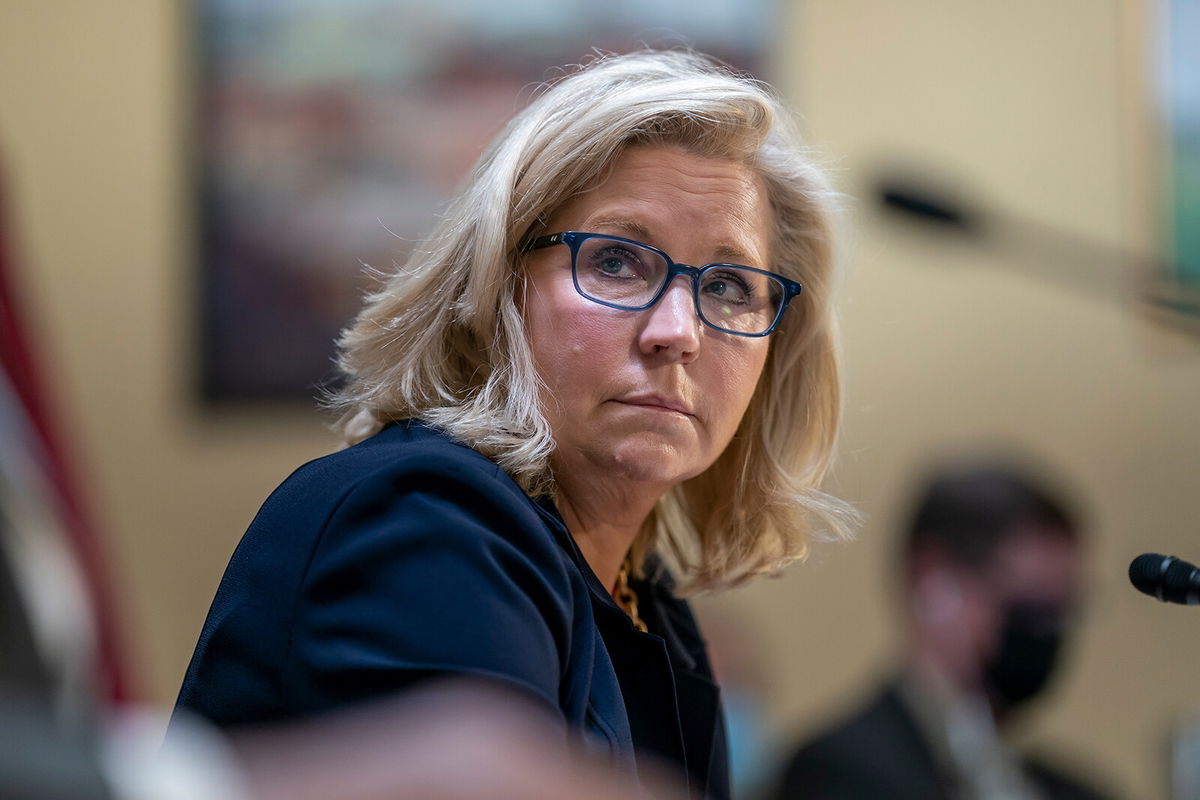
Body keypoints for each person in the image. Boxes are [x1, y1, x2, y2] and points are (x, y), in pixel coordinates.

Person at [173, 49, 855, 799]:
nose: (678, 331)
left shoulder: (652, 605)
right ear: (500, 291)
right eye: (619, 261)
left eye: (728, 284)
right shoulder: (423, 515)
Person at [774, 461, 1114, 800]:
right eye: (1028, 605)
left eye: (1061, 610)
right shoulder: (842, 771)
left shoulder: (1073, 788)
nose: (1046, 632)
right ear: (934, 583)